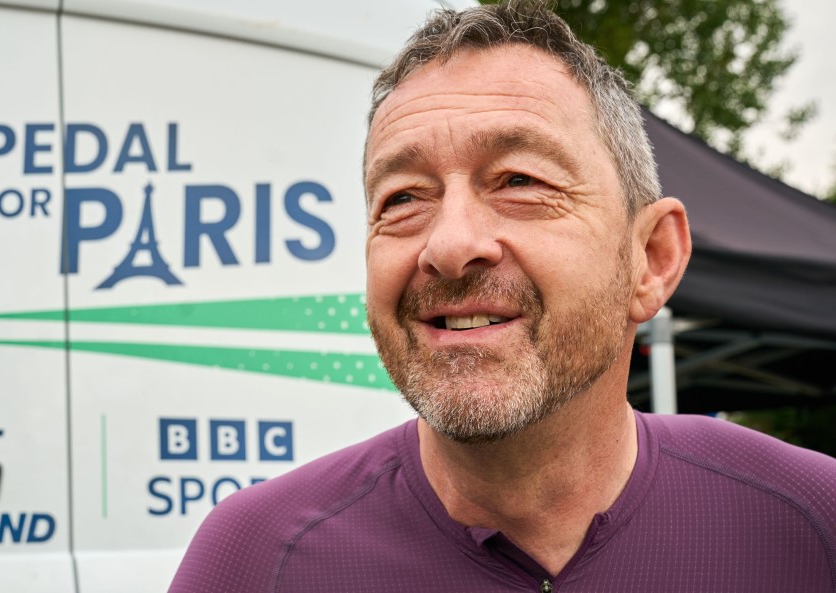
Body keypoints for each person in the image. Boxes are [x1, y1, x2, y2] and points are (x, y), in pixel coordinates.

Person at [168, 2, 836, 591]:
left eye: (519, 179)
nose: (450, 244)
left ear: (652, 259)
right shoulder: (258, 561)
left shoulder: (810, 526)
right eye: (401, 198)